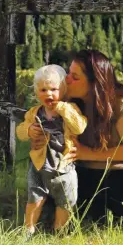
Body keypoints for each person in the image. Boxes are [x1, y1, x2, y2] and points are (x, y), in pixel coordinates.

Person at [29, 50, 123, 222]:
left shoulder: (122, 105)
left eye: (75, 77)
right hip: (88, 169)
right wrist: (38, 136)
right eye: (69, 73)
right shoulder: (67, 99)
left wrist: (87, 153)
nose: (67, 79)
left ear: (95, 83)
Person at [16, 64, 87, 235]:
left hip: (63, 166)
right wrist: (28, 130)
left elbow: (79, 127)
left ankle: (59, 230)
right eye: (43, 90)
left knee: (66, 201)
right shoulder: (34, 113)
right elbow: (20, 131)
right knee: (35, 197)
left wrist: (62, 108)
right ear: (36, 92)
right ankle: (28, 229)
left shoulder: (69, 109)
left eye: (54, 89)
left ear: (63, 89)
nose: (49, 94)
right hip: (39, 165)